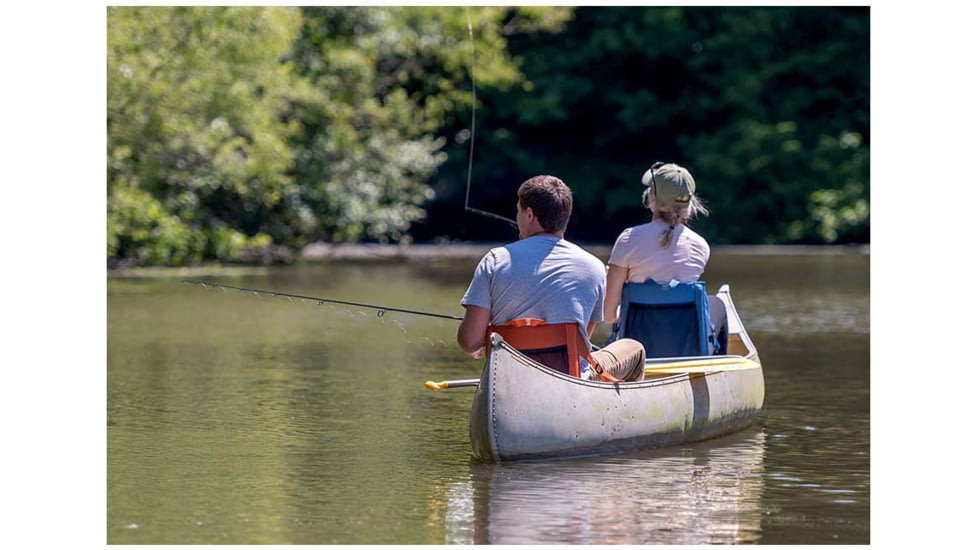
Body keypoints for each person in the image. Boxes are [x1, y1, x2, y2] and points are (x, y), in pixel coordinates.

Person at [457, 175, 645, 382]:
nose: (517, 216)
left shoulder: (494, 260)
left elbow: (470, 342)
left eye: (518, 210)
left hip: (508, 380)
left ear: (529, 215)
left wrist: (486, 337)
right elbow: (583, 341)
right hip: (568, 381)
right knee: (634, 349)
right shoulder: (594, 267)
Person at [604, 162, 726, 352]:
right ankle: (712, 371)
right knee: (719, 305)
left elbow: (608, 315)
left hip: (636, 353)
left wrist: (619, 288)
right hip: (685, 348)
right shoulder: (700, 246)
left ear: (652, 198)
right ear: (689, 202)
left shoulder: (628, 240)